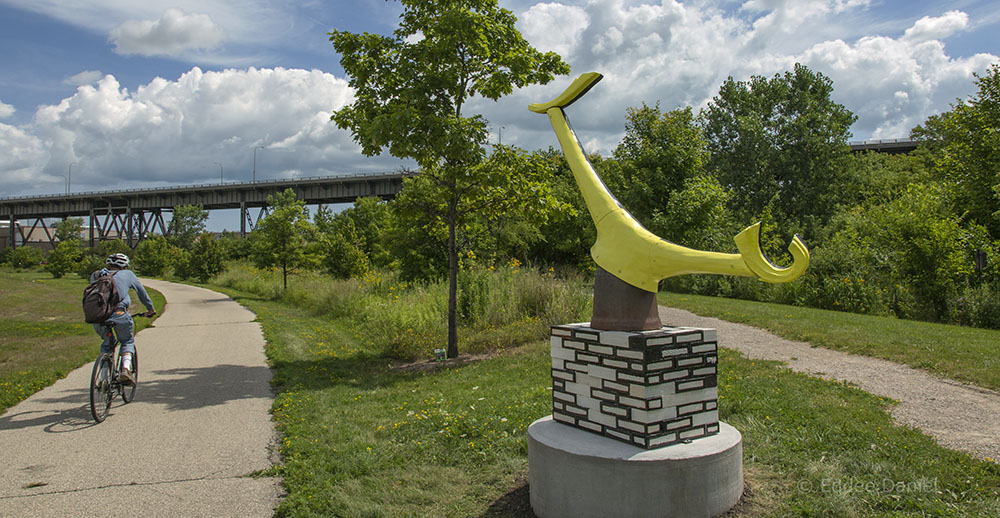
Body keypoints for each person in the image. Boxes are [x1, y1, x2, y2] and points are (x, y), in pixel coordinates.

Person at [90, 253, 156, 384]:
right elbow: (142, 294)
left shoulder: (96, 275)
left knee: (107, 345)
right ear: (125, 265)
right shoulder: (128, 274)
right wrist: (150, 309)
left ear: (108, 264)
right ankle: (126, 369)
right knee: (127, 341)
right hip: (119, 315)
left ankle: (103, 379)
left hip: (98, 317)